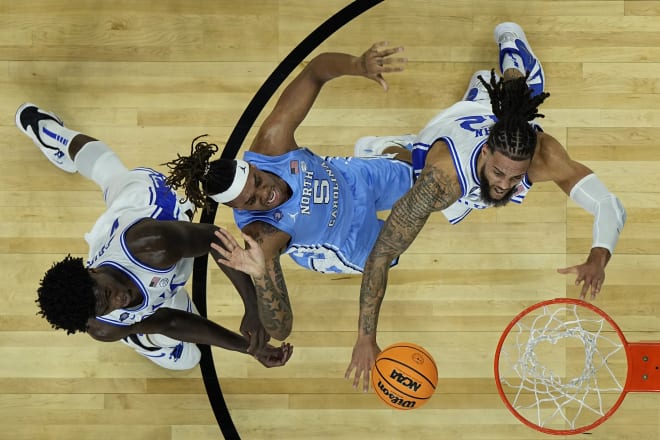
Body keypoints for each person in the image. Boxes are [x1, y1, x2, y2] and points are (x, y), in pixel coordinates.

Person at [345, 22, 627, 391]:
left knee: (521, 85)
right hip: (443, 142)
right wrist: (366, 337)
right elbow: (381, 254)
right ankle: (397, 150)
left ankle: (511, 44)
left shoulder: (542, 153)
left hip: (485, 108)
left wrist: (598, 255)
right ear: (488, 151)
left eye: (515, 177)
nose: (503, 185)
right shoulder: (441, 181)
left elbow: (609, 203)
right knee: (412, 177)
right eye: (499, 173)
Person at [165, 42, 412, 342]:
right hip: (345, 240)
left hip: (352, 180)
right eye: (251, 201)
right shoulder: (261, 236)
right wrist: (260, 277)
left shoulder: (272, 144)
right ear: (240, 209)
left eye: (257, 181)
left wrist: (357, 65)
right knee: (399, 246)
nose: (264, 194)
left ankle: (379, 150)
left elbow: (315, 72)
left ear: (253, 166)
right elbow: (281, 329)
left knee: (421, 176)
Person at [16, 102, 293, 370]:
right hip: (159, 280)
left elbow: (213, 238)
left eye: (108, 294)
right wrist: (248, 348)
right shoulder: (102, 326)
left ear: (92, 270)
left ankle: (51, 133)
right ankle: (141, 339)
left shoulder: (151, 245)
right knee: (189, 360)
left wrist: (252, 306)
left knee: (110, 174)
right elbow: (168, 323)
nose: (118, 302)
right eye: (106, 307)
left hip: (150, 204)